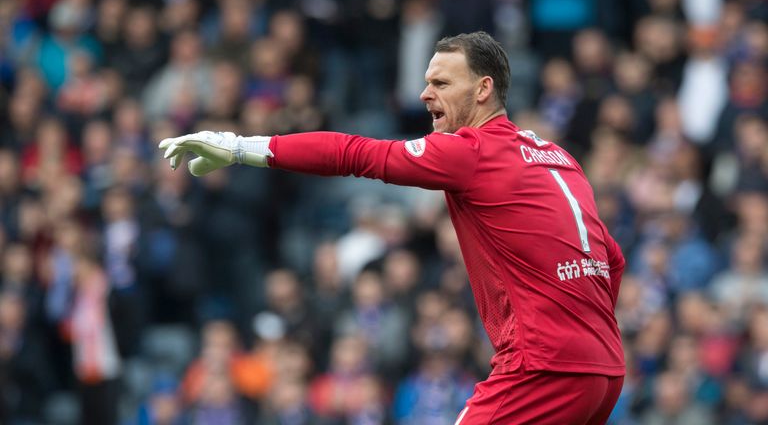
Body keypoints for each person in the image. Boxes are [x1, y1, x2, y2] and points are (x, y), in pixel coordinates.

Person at [159, 31, 626, 424]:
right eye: (426, 82)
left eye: (441, 83)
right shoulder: (560, 158)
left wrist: (238, 146)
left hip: (541, 369)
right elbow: (612, 259)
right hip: (603, 369)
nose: (426, 94)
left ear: (483, 90)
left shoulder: (472, 150)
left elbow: (354, 154)